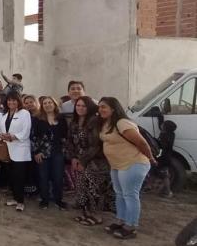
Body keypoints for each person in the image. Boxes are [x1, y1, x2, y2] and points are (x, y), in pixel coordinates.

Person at [98, 97, 156, 240]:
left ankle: (131, 227)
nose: (100, 109)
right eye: (99, 107)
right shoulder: (106, 123)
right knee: (119, 194)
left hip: (133, 163)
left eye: (104, 107)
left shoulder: (122, 123)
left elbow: (142, 143)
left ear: (113, 108)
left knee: (130, 195)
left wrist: (151, 158)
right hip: (117, 165)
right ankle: (121, 221)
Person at [67, 96, 113, 227]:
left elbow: (95, 145)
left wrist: (83, 161)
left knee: (94, 189)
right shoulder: (74, 122)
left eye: (83, 106)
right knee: (82, 187)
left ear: (90, 107)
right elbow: (70, 141)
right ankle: (86, 212)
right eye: (78, 106)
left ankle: (97, 216)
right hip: (79, 159)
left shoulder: (95, 121)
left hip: (95, 162)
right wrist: (74, 158)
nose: (80, 108)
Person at [0, 91, 32, 212]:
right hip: (6, 149)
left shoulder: (24, 113)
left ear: (18, 101)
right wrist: (1, 135)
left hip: (20, 149)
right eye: (9, 100)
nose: (11, 102)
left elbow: (26, 132)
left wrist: (12, 137)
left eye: (14, 100)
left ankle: (20, 201)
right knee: (10, 176)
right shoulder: (3, 115)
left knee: (19, 176)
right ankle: (15, 198)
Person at [32, 96, 68, 210]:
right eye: (45, 103)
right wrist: (37, 152)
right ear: (42, 106)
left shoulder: (61, 118)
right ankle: (44, 200)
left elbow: (65, 136)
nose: (47, 105)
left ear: (55, 104)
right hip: (42, 153)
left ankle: (58, 200)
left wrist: (64, 150)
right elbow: (34, 137)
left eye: (50, 102)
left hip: (57, 152)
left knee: (58, 177)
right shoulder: (37, 119)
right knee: (43, 177)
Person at [158, 120, 177, 198]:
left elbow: (162, 147)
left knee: (165, 175)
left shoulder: (164, 135)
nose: (161, 125)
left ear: (166, 127)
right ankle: (161, 189)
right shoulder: (171, 134)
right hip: (167, 157)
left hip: (163, 158)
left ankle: (168, 192)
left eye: (163, 124)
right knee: (164, 174)